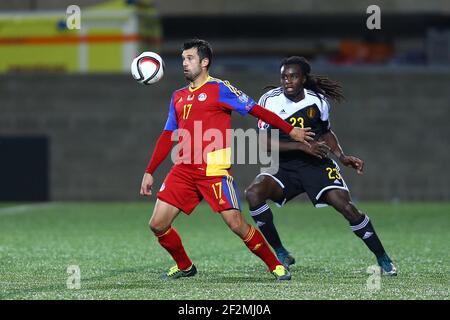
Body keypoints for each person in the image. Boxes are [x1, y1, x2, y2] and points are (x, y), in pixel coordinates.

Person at [140, 40, 315, 280]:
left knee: (236, 224)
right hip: (183, 169)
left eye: (189, 58)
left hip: (214, 169)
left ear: (204, 62)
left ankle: (275, 264)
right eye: (182, 59)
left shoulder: (220, 89)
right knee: (157, 224)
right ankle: (185, 266)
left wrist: (291, 131)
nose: (184, 63)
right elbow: (167, 135)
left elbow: (257, 110)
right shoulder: (178, 96)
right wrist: (150, 170)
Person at [245, 56, 397, 276]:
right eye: (284, 76)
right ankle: (280, 252)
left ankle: (383, 258)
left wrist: (341, 156)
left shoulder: (318, 100)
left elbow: (325, 132)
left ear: (304, 78)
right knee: (253, 193)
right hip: (284, 166)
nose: (287, 81)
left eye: (293, 76)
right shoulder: (270, 100)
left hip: (316, 164)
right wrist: (301, 147)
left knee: (345, 206)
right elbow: (263, 143)